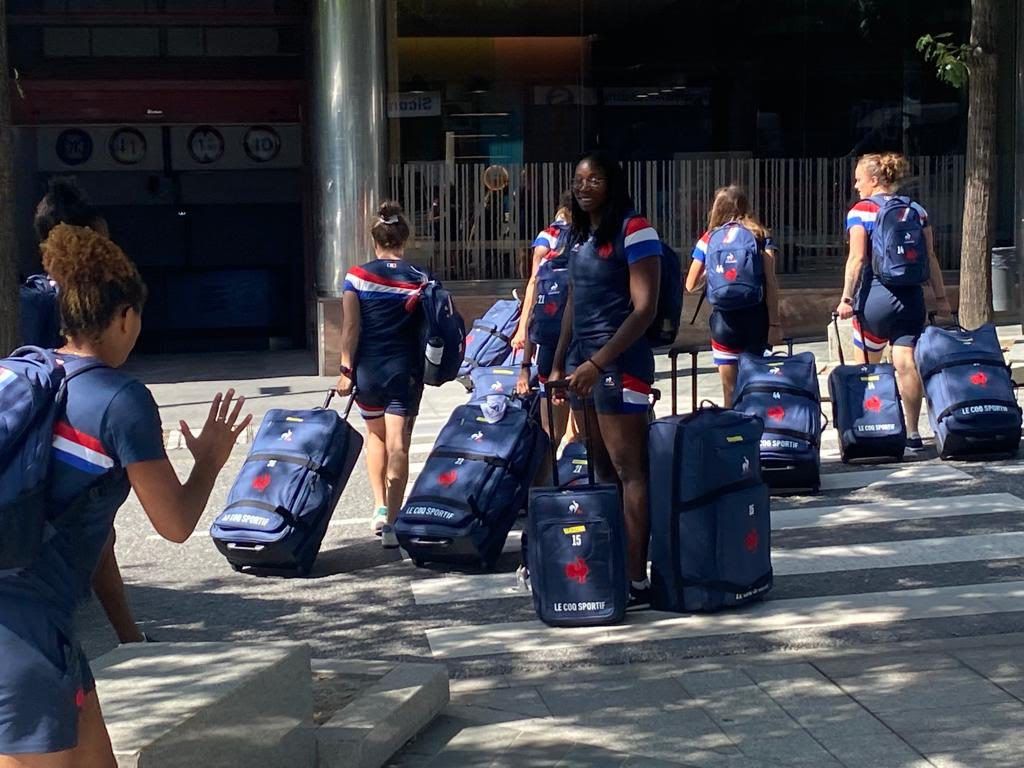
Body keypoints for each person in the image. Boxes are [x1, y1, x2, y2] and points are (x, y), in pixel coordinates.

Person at [0, 224, 250, 767]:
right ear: (124, 316)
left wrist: (126, 631)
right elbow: (176, 524)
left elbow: (97, 539)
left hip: (40, 632)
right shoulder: (120, 399)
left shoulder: (29, 376)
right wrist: (208, 462)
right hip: (23, 637)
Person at [30, 178, 148, 647]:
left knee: (98, 541)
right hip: (65, 435)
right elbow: (176, 522)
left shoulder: (31, 290)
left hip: (40, 432)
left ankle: (127, 637)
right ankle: (123, 638)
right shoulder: (64, 300)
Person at [549, 151, 661, 607]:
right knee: (598, 470)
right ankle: (610, 565)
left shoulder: (635, 229)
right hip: (582, 367)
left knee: (629, 470)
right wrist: (559, 362)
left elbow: (645, 308)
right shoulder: (578, 235)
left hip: (620, 365)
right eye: (578, 179)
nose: (584, 186)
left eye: (595, 179)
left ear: (613, 182)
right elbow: (574, 303)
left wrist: (598, 363)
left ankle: (636, 577)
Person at [834, 152, 952, 453]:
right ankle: (913, 433)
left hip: (875, 297)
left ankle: (871, 427)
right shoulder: (916, 210)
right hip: (910, 298)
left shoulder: (861, 211)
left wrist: (846, 298)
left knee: (868, 369)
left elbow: (857, 259)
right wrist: (941, 299)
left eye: (859, 179)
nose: (856, 185)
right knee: (905, 363)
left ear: (874, 180)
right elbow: (931, 257)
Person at [336, 202, 428, 549]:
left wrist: (346, 370)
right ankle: (393, 521)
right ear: (404, 239)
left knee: (374, 437)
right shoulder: (419, 277)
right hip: (404, 371)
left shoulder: (356, 276)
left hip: (368, 371)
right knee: (398, 443)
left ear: (374, 240)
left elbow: (350, 326)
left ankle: (378, 506)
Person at [684, 185, 783, 407]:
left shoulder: (709, 239)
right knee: (757, 389)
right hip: (756, 321)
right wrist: (775, 324)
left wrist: (715, 274)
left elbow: (690, 285)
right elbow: (770, 281)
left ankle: (736, 436)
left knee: (730, 392)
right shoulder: (760, 235)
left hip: (724, 323)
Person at [514, 191, 577, 450]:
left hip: (548, 334)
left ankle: (548, 471)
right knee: (582, 422)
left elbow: (534, 284)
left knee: (549, 428)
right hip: (581, 333)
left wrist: (522, 329)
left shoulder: (546, 237)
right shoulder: (589, 236)